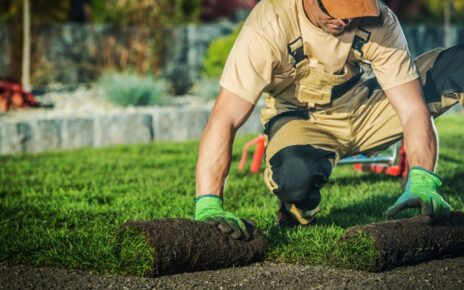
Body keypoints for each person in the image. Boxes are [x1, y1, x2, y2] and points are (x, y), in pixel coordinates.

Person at [194, 0, 464, 240]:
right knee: (296, 178)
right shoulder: (269, 23)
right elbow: (225, 117)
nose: (345, 20)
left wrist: (422, 180)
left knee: (459, 64)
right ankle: (299, 207)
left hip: (363, 106)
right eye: (337, 10)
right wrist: (208, 202)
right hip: (300, 118)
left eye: (354, 10)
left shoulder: (380, 20)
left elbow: (412, 109)